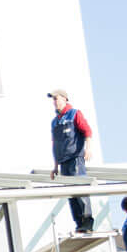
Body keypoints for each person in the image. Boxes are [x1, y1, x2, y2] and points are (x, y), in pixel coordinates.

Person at [48, 88, 94, 233]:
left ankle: (87, 221)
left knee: (80, 189)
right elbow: (55, 144)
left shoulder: (74, 114)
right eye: (53, 100)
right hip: (63, 161)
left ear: (64, 99)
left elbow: (87, 131)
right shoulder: (55, 122)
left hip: (75, 158)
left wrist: (88, 148)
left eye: (56, 99)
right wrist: (55, 166)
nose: (54, 102)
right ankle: (79, 223)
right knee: (70, 193)